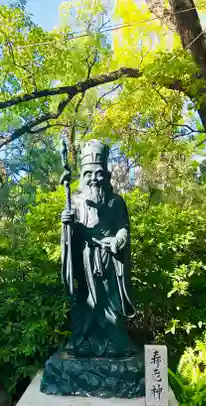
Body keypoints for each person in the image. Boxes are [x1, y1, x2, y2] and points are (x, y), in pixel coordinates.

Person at [61, 140, 137, 358]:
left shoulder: (116, 202)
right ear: (83, 176)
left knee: (109, 299)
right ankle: (83, 341)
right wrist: (66, 223)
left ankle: (113, 342)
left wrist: (120, 239)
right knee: (86, 299)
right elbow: (70, 235)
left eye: (99, 173)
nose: (94, 178)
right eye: (88, 173)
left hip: (109, 259)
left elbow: (123, 228)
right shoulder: (75, 201)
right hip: (84, 258)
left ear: (107, 175)